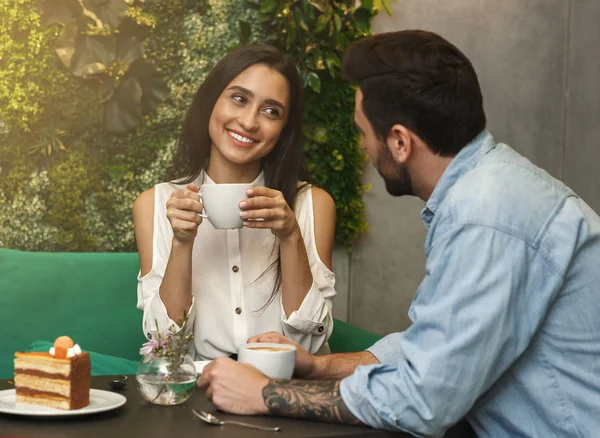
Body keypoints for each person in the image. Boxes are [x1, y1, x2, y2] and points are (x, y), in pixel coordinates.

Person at [196, 30, 600, 438]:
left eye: (362, 134)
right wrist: (318, 366)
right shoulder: (486, 188)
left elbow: (423, 400)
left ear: (400, 142)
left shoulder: (485, 215)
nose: (364, 150)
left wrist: (266, 393)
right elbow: (439, 348)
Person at [133, 44, 337, 361]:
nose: (249, 122)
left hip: (286, 390)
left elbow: (309, 346)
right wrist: (182, 243)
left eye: (271, 111)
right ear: (211, 102)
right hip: (201, 393)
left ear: (284, 129)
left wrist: (290, 236)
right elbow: (166, 345)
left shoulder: (312, 204)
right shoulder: (156, 203)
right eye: (239, 99)